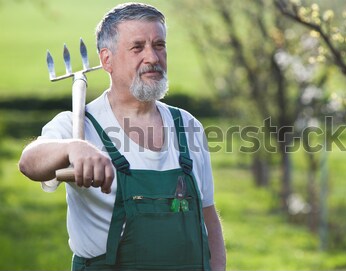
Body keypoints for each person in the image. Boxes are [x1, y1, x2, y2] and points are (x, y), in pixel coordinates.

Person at [18, 2, 226, 271]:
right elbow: (29, 161)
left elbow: (208, 215)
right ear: (107, 60)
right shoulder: (80, 124)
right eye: (138, 47)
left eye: (159, 45)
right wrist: (73, 148)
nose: (152, 57)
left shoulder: (188, 125)